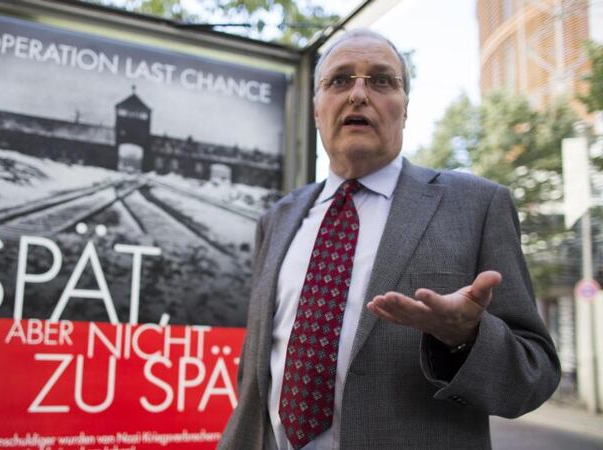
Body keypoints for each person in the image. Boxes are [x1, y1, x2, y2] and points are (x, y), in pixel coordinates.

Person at [218, 29, 560, 450]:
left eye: (381, 81)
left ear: (405, 108)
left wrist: (465, 338)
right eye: (340, 80)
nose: (358, 95)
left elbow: (534, 375)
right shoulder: (278, 219)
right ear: (316, 109)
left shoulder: (477, 206)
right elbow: (255, 373)